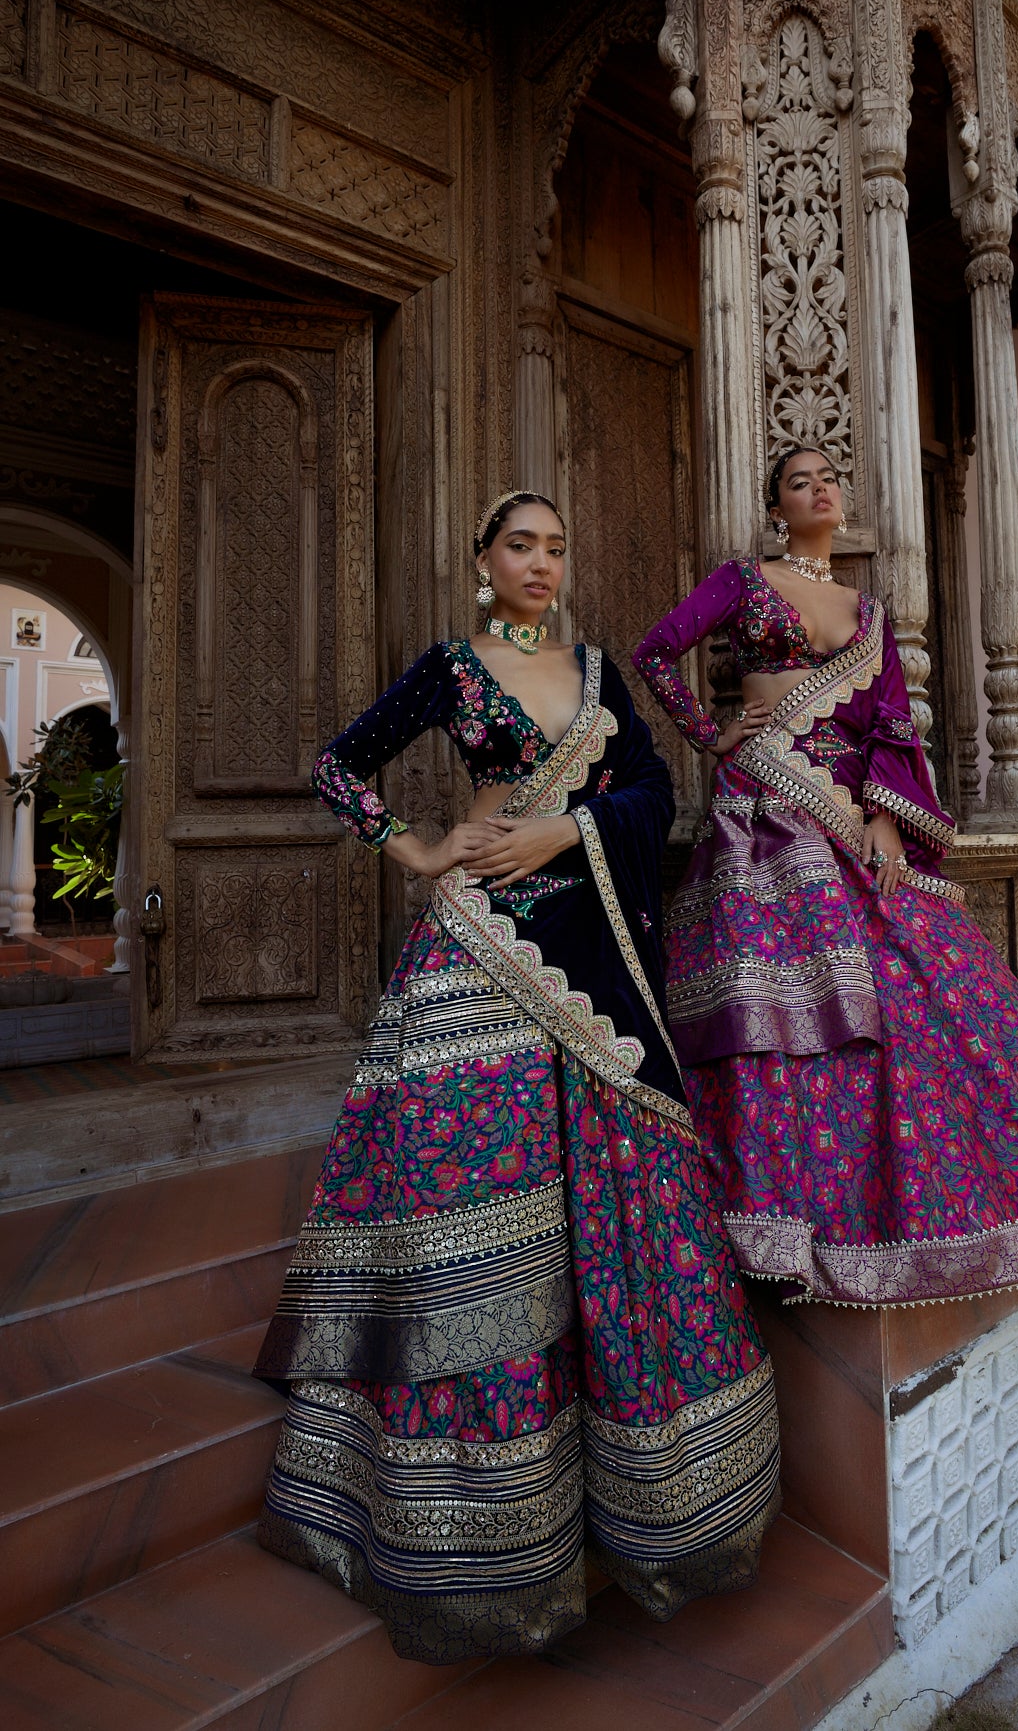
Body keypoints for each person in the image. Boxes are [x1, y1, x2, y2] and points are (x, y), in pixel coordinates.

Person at [255, 492, 780, 1663]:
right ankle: (476, 1525)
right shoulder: (452, 668)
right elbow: (339, 768)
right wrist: (421, 848)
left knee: (616, 1205)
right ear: (482, 563)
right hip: (478, 950)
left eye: (555, 545)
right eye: (519, 546)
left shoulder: (598, 674)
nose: (540, 563)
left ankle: (644, 1507)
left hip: (591, 957)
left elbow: (651, 792)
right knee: (470, 1204)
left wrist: (564, 833)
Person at [632, 447, 1018, 1309]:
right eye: (798, 480)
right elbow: (655, 652)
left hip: (846, 810)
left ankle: (933, 1201)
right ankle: (766, 1218)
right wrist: (713, 730)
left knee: (922, 986)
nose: (818, 489)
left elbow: (888, 721)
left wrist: (881, 815)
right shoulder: (741, 580)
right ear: (777, 505)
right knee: (776, 1002)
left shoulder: (867, 612)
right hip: (765, 806)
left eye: (827, 478)